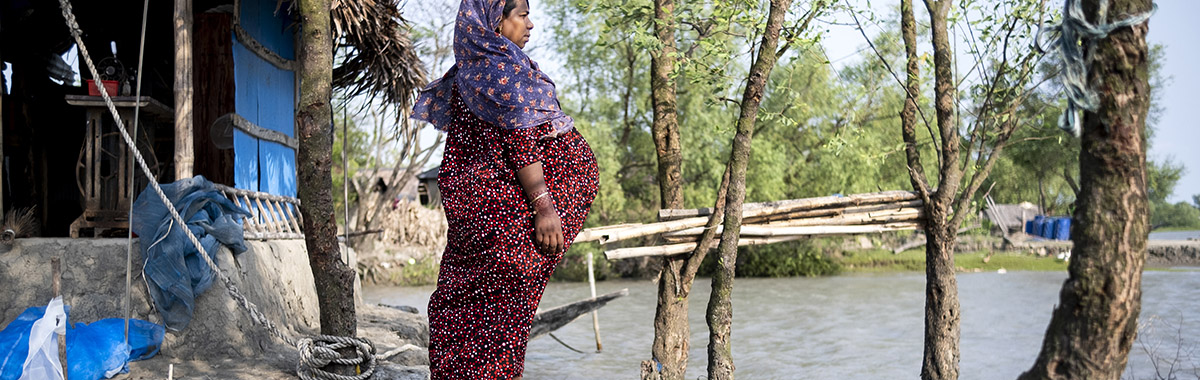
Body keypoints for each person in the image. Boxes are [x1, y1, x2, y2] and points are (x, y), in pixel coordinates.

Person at [411, 0, 598, 378]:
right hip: (504, 222)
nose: (530, 24)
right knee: (500, 314)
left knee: (468, 306)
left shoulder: (472, 71)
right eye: (522, 15)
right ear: (496, 22)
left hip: (485, 217)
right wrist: (545, 208)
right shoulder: (501, 70)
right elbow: (520, 141)